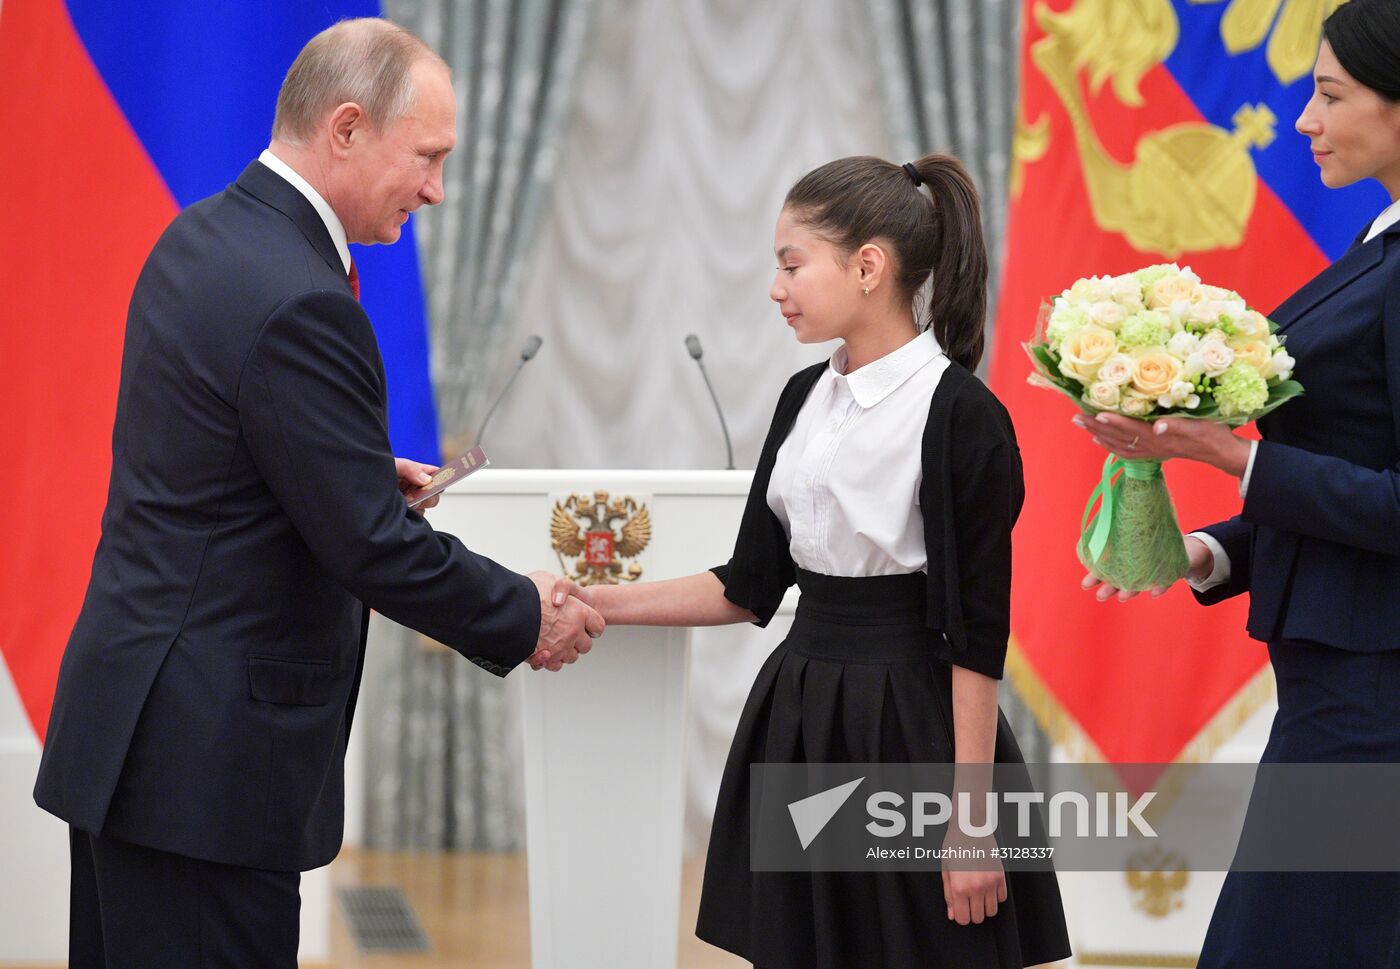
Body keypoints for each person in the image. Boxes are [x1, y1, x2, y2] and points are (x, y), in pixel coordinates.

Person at [33, 18, 601, 968]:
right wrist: (524, 612)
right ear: (346, 128)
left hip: (134, 741)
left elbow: (217, 455)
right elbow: (371, 547)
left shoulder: (200, 235)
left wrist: (349, 467)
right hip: (205, 776)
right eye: (427, 156)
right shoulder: (300, 293)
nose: (437, 188)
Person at [584, 154, 1071, 968]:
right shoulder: (802, 398)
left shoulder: (962, 416)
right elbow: (748, 585)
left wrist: (971, 819)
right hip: (804, 717)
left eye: (791, 264)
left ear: (868, 266)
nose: (776, 288)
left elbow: (976, 636)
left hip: (912, 730)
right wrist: (596, 599)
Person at [1074, 1, 1400, 965]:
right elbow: (1359, 463)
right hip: (1338, 678)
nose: (1305, 119)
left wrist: (1227, 455)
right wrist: (1208, 551)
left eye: (1330, 95)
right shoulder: (1379, 240)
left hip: (1371, 693)